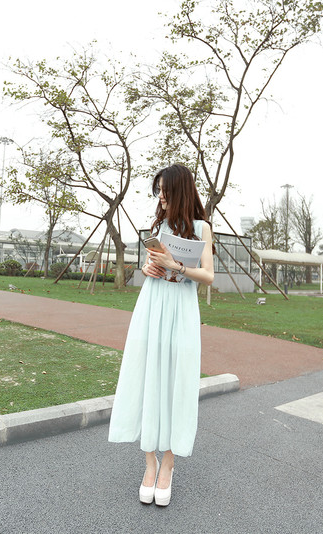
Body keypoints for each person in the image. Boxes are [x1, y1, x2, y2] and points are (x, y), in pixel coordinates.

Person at [108, 164, 214, 507]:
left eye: (165, 190)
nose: (160, 196)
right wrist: (147, 267)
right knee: (148, 374)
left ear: (179, 190)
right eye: (158, 191)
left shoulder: (201, 228)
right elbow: (149, 265)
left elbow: (208, 276)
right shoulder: (158, 227)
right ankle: (149, 463)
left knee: (176, 379)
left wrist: (176, 266)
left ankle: (168, 464)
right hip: (152, 304)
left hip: (181, 309)